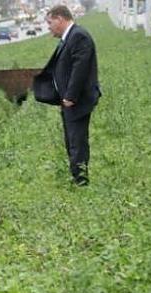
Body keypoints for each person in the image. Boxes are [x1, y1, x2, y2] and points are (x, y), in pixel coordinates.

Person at [43, 5, 100, 186]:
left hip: (77, 102)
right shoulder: (69, 38)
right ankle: (77, 176)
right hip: (69, 101)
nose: (49, 27)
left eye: (50, 22)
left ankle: (81, 182)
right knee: (71, 141)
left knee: (77, 143)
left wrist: (71, 96)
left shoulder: (79, 37)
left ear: (60, 19)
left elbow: (80, 70)